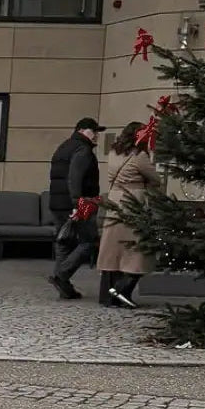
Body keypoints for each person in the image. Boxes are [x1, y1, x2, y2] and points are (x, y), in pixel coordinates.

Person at [96, 121, 162, 308]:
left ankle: (107, 296)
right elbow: (155, 179)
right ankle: (122, 291)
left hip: (114, 200)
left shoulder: (113, 152)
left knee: (112, 251)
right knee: (138, 251)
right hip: (133, 202)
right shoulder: (139, 155)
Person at [46, 117, 105, 299]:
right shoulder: (83, 150)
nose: (96, 136)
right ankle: (61, 275)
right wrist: (76, 203)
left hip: (58, 202)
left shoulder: (64, 147)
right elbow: (75, 177)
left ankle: (65, 287)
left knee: (64, 241)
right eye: (93, 131)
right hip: (79, 203)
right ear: (81, 130)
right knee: (89, 241)